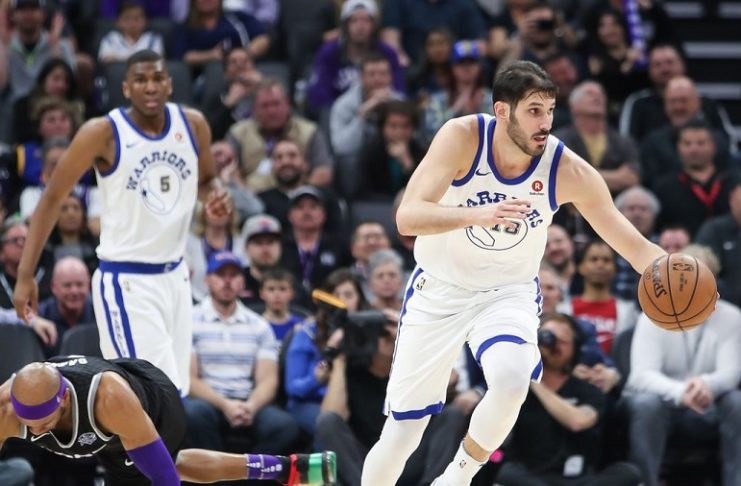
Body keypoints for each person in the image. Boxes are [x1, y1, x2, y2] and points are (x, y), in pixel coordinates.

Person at [360, 60, 669, 486]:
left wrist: (673, 272)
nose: (546, 123)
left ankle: (457, 478)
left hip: (506, 292)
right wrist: (479, 213)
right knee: (403, 433)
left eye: (550, 110)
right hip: (440, 289)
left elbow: (632, 243)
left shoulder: (566, 169)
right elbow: (407, 217)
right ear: (502, 111)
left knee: (511, 379)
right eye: (534, 111)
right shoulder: (462, 137)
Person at [13, 49, 231, 397]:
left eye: (157, 78)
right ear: (126, 88)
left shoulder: (193, 126)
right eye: (140, 80)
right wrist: (26, 275)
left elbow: (206, 180)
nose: (150, 86)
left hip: (176, 277)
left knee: (175, 395)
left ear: (169, 84)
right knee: (152, 397)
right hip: (128, 281)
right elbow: (51, 199)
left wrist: (215, 196)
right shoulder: (103, 132)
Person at [0, 356, 336, 485]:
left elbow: (164, 476)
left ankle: (285, 469)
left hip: (154, 402)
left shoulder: (109, 399)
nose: (36, 430)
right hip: (110, 435)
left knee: (169, 466)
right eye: (29, 423)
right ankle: (291, 468)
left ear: (64, 399)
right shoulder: (4, 411)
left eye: (44, 421)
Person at [625, 245, 741, 486]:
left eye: (699, 277)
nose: (688, 284)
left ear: (714, 281)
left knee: (737, 402)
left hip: (709, 402)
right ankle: (645, 482)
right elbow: (641, 375)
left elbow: (732, 372)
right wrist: (681, 392)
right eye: (683, 278)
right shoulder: (651, 315)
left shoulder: (732, 316)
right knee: (646, 404)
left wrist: (706, 384)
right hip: (664, 405)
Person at [495, 313, 642, 485]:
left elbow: (578, 421)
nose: (554, 345)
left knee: (628, 472)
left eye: (563, 341)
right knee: (504, 472)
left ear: (575, 348)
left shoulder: (588, 390)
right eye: (548, 337)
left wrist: (534, 381)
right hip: (532, 478)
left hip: (581, 479)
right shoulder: (516, 390)